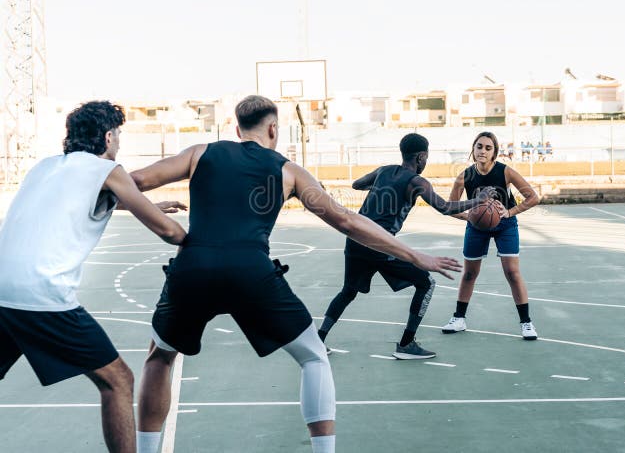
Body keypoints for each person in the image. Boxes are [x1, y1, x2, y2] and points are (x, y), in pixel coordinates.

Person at [128, 96, 462, 453]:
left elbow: (132, 181)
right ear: (274, 128)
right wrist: (414, 256)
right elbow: (347, 221)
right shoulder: (288, 172)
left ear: (236, 128)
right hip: (251, 272)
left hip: (192, 267)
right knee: (313, 357)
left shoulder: (199, 153)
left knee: (159, 358)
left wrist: (150, 208)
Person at [0, 101, 187, 453]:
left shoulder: (44, 168)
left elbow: (75, 200)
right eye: (118, 135)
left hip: (2, 289)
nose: (119, 143)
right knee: (117, 380)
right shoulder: (108, 169)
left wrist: (146, 205)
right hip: (41, 293)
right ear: (107, 136)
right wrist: (206, 243)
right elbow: (168, 232)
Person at [317, 134, 495, 360]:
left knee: (348, 291)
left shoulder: (383, 171)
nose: (426, 161)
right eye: (426, 157)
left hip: (355, 239)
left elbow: (356, 184)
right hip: (380, 244)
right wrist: (478, 200)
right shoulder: (417, 182)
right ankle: (406, 344)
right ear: (421, 156)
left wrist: (380, 187)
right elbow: (444, 207)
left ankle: (318, 340)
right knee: (426, 283)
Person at [441, 131, 541, 340]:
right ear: (473, 149)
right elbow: (451, 207)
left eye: (488, 148)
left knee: (512, 272)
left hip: (505, 224)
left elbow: (533, 197)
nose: (483, 151)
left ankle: (526, 322)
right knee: (469, 273)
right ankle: (459, 318)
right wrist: (469, 217)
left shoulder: (505, 172)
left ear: (495, 152)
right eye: (479, 147)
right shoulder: (465, 176)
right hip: (477, 226)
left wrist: (510, 212)